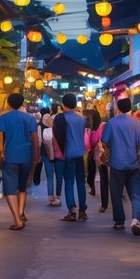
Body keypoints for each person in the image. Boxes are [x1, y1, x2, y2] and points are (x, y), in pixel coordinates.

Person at [101, 97, 140, 235]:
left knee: (116, 193)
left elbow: (104, 141)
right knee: (136, 194)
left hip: (116, 163)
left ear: (118, 108)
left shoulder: (112, 123)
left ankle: (119, 221)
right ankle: (136, 219)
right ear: (130, 108)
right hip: (133, 164)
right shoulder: (137, 124)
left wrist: (108, 152)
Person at [0, 93, 40, 230]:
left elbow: (0, 138)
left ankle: (17, 220)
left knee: (9, 189)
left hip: (10, 157)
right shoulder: (30, 119)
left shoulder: (3, 118)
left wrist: (1, 153)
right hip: (26, 156)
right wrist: (36, 157)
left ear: (8, 103)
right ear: (22, 103)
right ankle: (20, 213)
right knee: (23, 187)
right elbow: (35, 139)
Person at [56, 94, 89, 222]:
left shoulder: (61, 117)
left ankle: (71, 210)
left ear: (63, 104)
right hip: (80, 152)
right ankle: (82, 211)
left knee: (69, 182)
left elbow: (58, 136)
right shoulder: (81, 119)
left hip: (67, 153)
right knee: (81, 182)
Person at [84, 108, 101, 197]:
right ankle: (92, 186)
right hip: (94, 155)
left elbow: (93, 143)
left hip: (93, 155)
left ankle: (92, 186)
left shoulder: (93, 132)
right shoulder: (97, 130)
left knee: (91, 170)